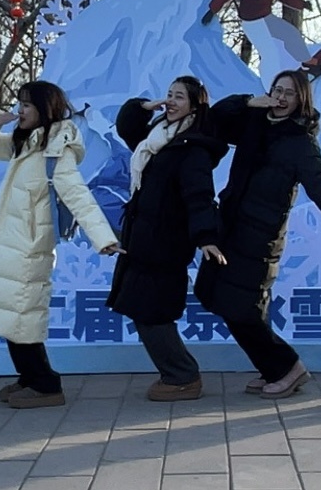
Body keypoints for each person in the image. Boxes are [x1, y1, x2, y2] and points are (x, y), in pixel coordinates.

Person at [194, 69, 321, 399]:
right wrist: (249, 101)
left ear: (301, 100)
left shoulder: (300, 143)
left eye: (289, 93)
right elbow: (217, 117)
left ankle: (287, 368)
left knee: (242, 307)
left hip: (260, 236)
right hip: (229, 227)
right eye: (276, 90)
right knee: (213, 294)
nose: (280, 98)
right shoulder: (254, 122)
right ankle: (273, 368)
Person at [0, 80, 122, 409]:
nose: (20, 110)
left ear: (44, 109)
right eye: (20, 103)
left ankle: (45, 384)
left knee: (22, 317)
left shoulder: (56, 151)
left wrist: (103, 238)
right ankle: (29, 378)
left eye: (27, 104)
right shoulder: (26, 144)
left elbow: (78, 196)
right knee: (13, 316)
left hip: (29, 250)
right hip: (11, 246)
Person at [107, 76, 229, 401]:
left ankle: (182, 376)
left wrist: (206, 237)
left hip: (165, 244)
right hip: (143, 240)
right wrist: (144, 107)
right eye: (169, 95)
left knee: (151, 312)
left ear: (194, 105)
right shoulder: (158, 136)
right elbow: (126, 127)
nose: (171, 102)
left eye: (180, 97)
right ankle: (178, 374)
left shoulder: (193, 148)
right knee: (144, 309)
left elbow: (199, 196)